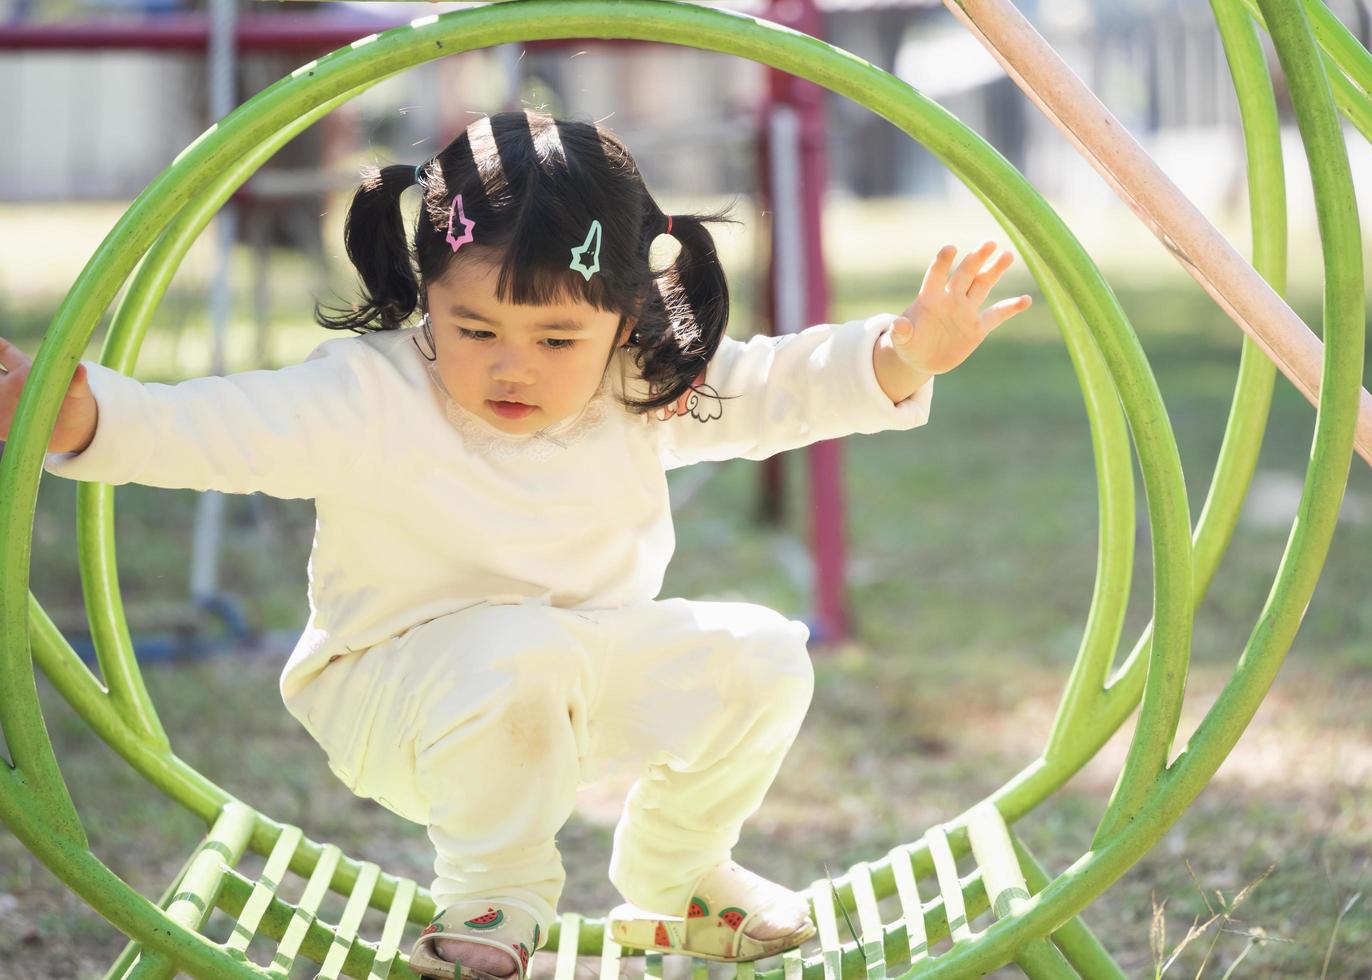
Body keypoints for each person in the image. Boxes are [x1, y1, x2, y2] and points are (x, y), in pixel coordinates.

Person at [0, 110, 1031, 980]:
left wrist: (899, 354)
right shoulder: (370, 395)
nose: (512, 367)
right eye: (474, 326)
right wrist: (82, 414)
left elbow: (774, 385)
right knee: (516, 653)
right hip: (393, 691)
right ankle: (492, 899)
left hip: (566, 680)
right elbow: (217, 428)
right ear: (426, 298)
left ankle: (679, 870)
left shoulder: (638, 384)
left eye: (555, 339)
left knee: (765, 652)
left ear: (626, 322)